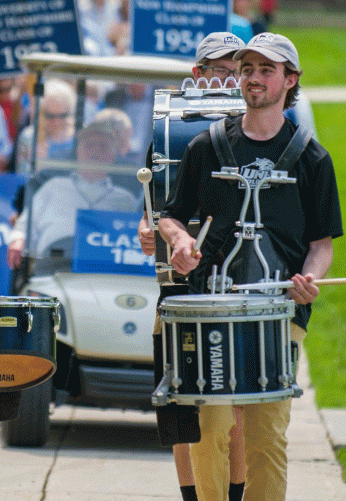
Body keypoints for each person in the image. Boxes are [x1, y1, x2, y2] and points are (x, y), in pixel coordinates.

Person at [157, 32, 343, 501]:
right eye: (247, 69)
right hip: (213, 305)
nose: (253, 78)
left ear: (290, 80)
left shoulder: (313, 159)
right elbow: (172, 215)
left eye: (265, 70)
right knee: (209, 424)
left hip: (279, 308)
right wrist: (179, 240)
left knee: (266, 435)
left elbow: (321, 244)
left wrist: (310, 280)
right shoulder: (208, 146)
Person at [138, 31, 246, 501]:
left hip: (240, 280)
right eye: (219, 71)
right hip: (179, 285)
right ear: (197, 75)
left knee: (237, 407)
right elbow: (154, 202)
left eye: (235, 71)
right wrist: (146, 230)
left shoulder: (257, 129)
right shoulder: (172, 127)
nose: (228, 81)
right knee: (182, 406)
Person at [7, 115, 137, 270]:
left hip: (105, 270)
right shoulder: (53, 186)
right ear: (78, 151)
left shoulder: (125, 199)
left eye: (103, 146)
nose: (95, 151)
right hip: (52, 266)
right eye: (89, 145)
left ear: (113, 156)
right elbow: (25, 224)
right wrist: (18, 239)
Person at [14, 78, 77, 175]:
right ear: (42, 113)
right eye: (50, 116)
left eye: (63, 115)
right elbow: (23, 175)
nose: (57, 122)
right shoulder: (29, 136)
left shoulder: (80, 137)